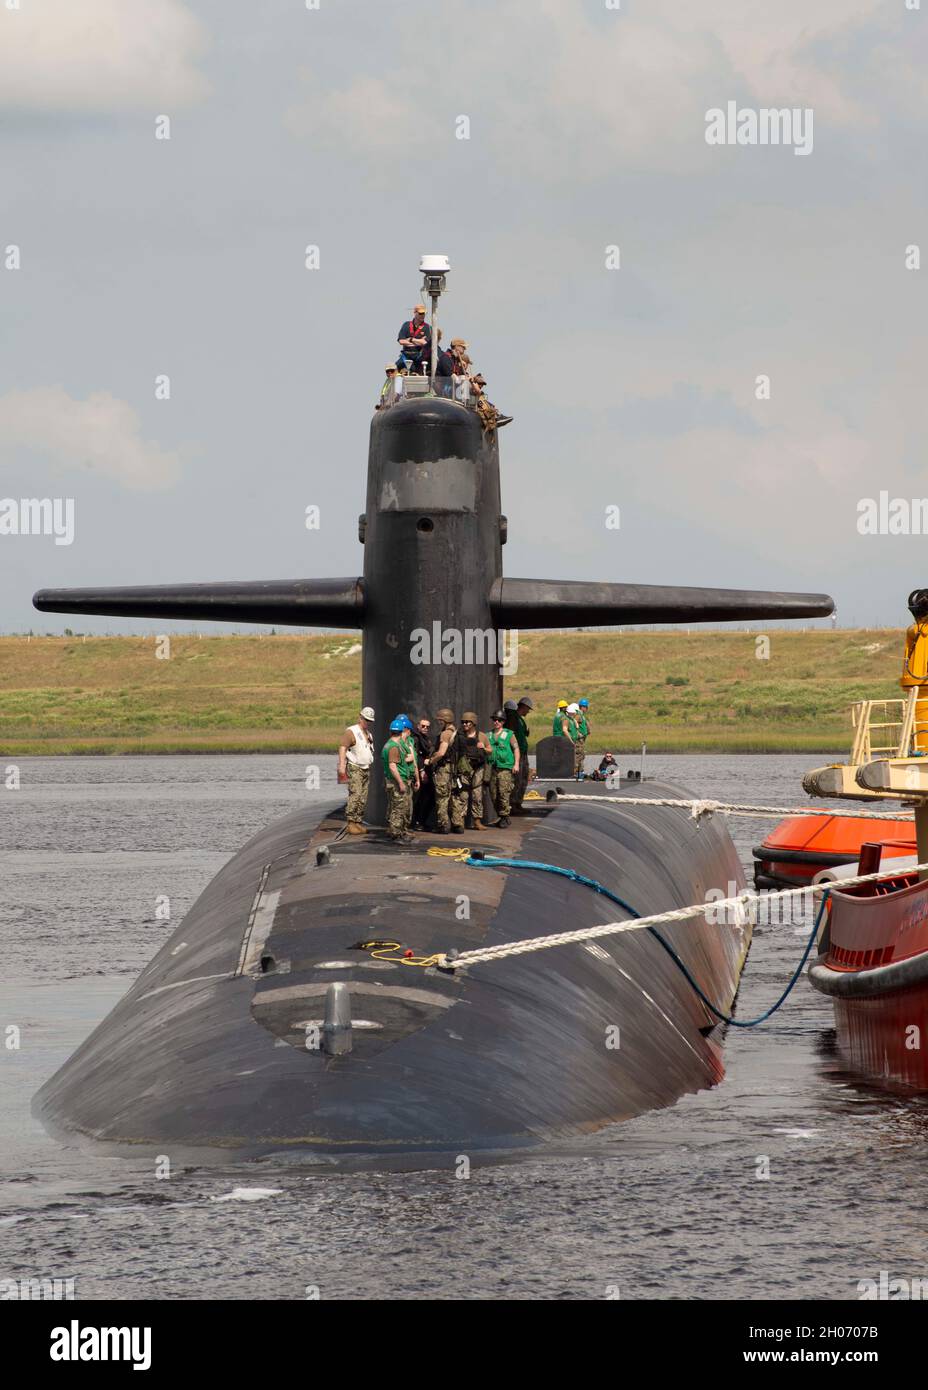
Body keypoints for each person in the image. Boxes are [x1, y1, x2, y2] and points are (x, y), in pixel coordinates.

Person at [337, 706, 375, 834]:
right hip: (355, 767)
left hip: (365, 768)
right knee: (356, 794)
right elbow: (343, 748)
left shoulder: (369, 734)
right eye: (366, 720)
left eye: (370, 721)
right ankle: (351, 822)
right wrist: (342, 765)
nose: (367, 722)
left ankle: (358, 822)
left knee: (363, 796)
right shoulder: (351, 731)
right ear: (360, 717)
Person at [451, 712, 490, 832]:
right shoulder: (459, 736)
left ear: (473, 723)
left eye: (467, 722)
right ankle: (460, 821)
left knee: (477, 796)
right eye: (463, 722)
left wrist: (483, 747)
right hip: (464, 769)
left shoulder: (482, 736)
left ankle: (477, 821)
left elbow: (490, 750)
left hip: (478, 769)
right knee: (463, 795)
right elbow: (453, 749)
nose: (465, 724)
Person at [382, 718, 417, 844]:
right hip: (397, 781)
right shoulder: (394, 747)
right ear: (401, 731)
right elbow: (392, 766)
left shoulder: (389, 744)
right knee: (398, 808)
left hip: (393, 781)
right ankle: (396, 834)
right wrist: (401, 783)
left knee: (398, 807)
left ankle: (399, 832)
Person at [487, 709, 520, 828]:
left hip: (505, 768)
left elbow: (516, 748)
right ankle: (501, 815)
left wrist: (516, 764)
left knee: (503, 793)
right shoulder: (489, 735)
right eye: (495, 720)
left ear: (503, 722)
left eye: (499, 720)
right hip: (493, 768)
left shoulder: (509, 735)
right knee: (493, 794)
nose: (496, 722)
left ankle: (505, 816)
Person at [430, 708, 458, 832]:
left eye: (440, 720)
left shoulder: (445, 734)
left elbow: (441, 753)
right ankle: (457, 824)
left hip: (444, 769)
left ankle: (443, 825)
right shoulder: (455, 731)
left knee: (442, 797)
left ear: (445, 720)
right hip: (453, 769)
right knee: (452, 797)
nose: (439, 722)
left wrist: (430, 761)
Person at [411, 715, 435, 829]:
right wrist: (421, 771)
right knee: (418, 798)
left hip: (427, 771)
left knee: (427, 798)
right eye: (423, 726)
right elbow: (416, 757)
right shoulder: (416, 739)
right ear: (418, 726)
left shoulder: (426, 739)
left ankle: (422, 821)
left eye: (427, 726)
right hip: (420, 772)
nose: (425, 728)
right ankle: (415, 822)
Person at [511, 695, 533, 812]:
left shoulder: (520, 720)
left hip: (523, 752)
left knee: (523, 777)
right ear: (523, 707)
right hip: (517, 752)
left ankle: (518, 803)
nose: (528, 711)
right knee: (517, 779)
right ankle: (513, 804)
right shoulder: (514, 718)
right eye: (528, 709)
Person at [397, 303, 431, 374]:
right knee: (394, 368)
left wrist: (411, 339)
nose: (423, 315)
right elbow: (401, 341)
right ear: (415, 313)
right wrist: (418, 343)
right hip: (406, 355)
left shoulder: (427, 327)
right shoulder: (406, 325)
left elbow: (425, 343)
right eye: (420, 313)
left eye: (424, 313)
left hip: (419, 356)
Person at [567, 702, 584, 775]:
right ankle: (575, 771)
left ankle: (579, 771)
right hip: (576, 740)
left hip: (577, 739)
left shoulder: (574, 718)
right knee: (577, 755)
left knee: (580, 755)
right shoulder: (574, 718)